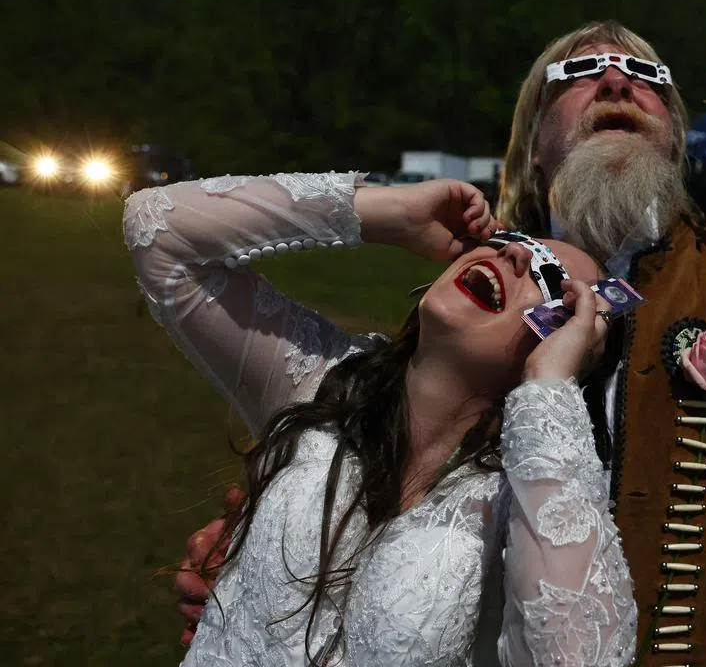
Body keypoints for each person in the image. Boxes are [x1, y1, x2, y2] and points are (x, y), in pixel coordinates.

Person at [175, 21, 706, 666]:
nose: (617, 79)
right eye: (574, 76)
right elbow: (373, 461)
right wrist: (275, 561)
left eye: (648, 76)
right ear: (533, 146)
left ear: (676, 137)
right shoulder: (482, 286)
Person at [125, 174, 637, 665]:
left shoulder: (523, 498)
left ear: (567, 339)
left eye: (549, 277)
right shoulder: (321, 381)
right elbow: (157, 228)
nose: (515, 254)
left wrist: (548, 386)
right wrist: (389, 214)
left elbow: (572, 655)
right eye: (514, 239)